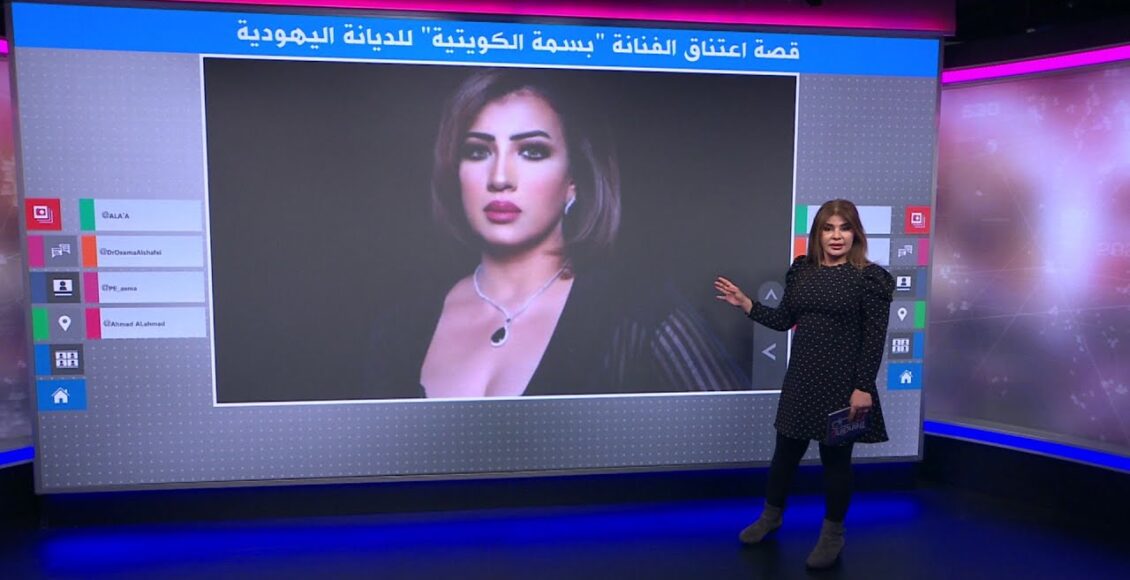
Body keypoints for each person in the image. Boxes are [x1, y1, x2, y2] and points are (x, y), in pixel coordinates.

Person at [367, 67, 748, 398]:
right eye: (478, 152)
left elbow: (750, 442)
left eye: (532, 151)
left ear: (574, 181)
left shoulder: (640, 314)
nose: (499, 178)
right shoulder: (400, 329)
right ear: (456, 172)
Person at [713, 199, 894, 569]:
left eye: (844, 228)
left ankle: (832, 536)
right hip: (801, 380)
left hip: (844, 385)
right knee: (785, 455)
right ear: (818, 234)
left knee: (836, 462)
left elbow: (875, 338)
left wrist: (863, 386)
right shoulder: (802, 271)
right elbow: (784, 320)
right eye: (828, 228)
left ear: (855, 233)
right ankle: (771, 517)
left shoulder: (869, 278)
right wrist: (747, 304)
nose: (836, 236)